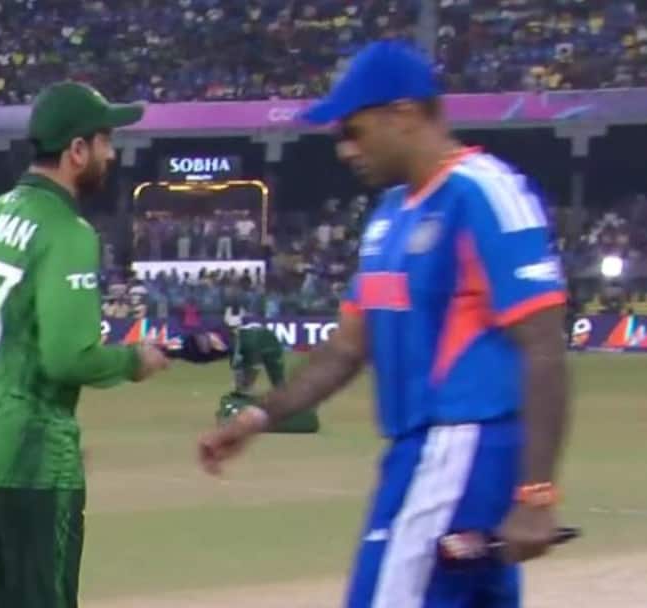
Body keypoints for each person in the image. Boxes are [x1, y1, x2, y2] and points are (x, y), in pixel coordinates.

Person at [197, 41, 571, 608]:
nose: (345, 149)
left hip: (459, 449)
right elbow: (347, 349)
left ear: (404, 114)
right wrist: (257, 416)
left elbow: (542, 346)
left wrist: (537, 493)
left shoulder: (484, 193)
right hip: (421, 453)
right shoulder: (390, 215)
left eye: (354, 130)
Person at [0, 81, 170, 608]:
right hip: (31, 453)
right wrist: (134, 360)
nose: (112, 154)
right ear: (77, 150)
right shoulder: (67, 230)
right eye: (105, 141)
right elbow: (69, 356)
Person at [215, 306, 320, 433]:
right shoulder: (249, 330)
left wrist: (243, 382)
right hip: (271, 343)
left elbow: (242, 362)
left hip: (262, 344)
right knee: (278, 384)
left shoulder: (240, 337)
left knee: (247, 385)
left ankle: (249, 405)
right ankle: (291, 406)